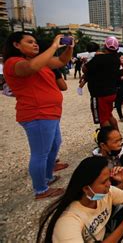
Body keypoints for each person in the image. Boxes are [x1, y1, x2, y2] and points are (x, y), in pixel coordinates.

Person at [3, 32, 73, 199]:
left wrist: (69, 47)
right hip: (37, 113)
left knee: (54, 145)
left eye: (35, 42)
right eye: (29, 42)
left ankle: (47, 177)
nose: (35, 44)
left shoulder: (38, 61)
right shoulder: (14, 63)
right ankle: (41, 189)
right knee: (40, 153)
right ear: (16, 45)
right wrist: (54, 46)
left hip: (49, 113)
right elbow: (32, 68)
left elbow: (61, 61)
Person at [36, 156, 123, 242]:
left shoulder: (105, 193)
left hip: (102, 236)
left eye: (109, 179)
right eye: (104, 182)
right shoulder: (68, 222)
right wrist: (122, 228)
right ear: (86, 189)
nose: (109, 184)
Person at [85, 36, 121, 130]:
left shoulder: (99, 58)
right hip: (111, 92)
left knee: (103, 119)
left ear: (105, 46)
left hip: (99, 94)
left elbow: (85, 69)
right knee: (109, 115)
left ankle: (110, 139)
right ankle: (117, 134)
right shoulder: (116, 59)